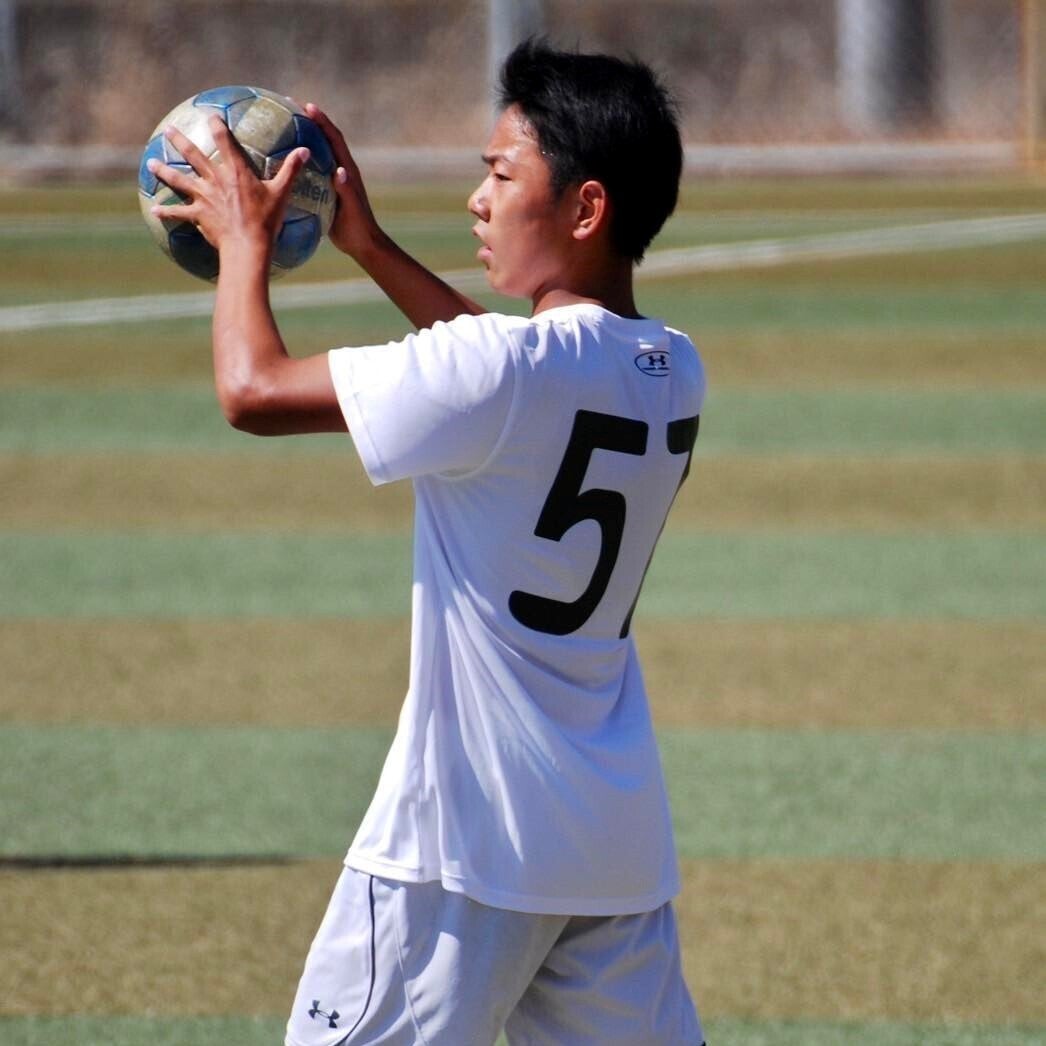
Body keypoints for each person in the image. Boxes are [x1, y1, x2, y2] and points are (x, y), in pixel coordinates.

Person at [150, 38, 706, 1046]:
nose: (476, 201)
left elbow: (252, 391)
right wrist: (368, 247)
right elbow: (497, 370)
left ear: (585, 209)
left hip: (458, 850)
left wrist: (242, 241)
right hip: (609, 849)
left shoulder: (502, 373)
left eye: (501, 175)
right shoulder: (671, 367)